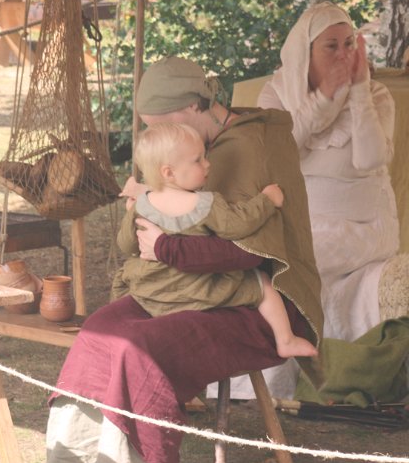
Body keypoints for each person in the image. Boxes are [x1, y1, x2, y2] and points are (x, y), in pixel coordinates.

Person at [33, 55, 323, 463]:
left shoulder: (252, 145)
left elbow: (250, 254)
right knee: (100, 330)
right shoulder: (181, 150)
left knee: (140, 346)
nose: (155, 137)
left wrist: (166, 248)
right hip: (181, 287)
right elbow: (142, 235)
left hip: (253, 299)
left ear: (193, 107)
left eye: (159, 125)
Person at [223, 0, 404, 401]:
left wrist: (357, 92)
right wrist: (323, 98)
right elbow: (279, 151)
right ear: (305, 52)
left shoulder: (376, 95)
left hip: (364, 230)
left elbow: (370, 158)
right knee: (251, 262)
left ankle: (265, 386)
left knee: (279, 269)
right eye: (331, 46)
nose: (343, 55)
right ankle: (250, 381)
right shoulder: (276, 94)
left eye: (349, 44)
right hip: (301, 225)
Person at [116, 122, 318, 359]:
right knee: (261, 283)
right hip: (199, 290)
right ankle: (286, 339)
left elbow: (126, 244)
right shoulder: (206, 204)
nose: (207, 164)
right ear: (168, 173)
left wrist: (131, 215)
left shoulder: (141, 206)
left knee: (126, 276)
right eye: (198, 160)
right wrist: (266, 200)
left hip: (155, 291)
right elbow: (237, 224)